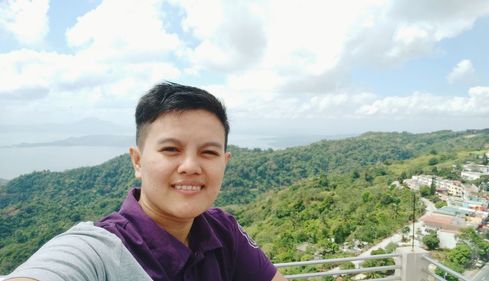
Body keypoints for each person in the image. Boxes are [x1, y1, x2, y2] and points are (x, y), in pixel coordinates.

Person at [6, 82, 288, 281]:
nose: (190, 166)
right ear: (137, 161)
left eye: (208, 152)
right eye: (171, 149)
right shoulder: (101, 251)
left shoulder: (223, 233)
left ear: (224, 163)